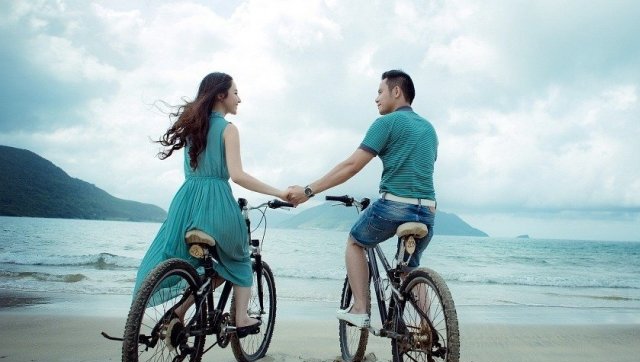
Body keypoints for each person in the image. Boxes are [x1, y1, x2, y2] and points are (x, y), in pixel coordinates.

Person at [134, 72, 288, 337]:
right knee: (239, 257)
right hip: (216, 203)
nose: (240, 98)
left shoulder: (194, 127)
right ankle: (240, 317)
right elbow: (238, 175)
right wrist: (280, 192)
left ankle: (179, 312)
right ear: (221, 95)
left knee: (207, 267)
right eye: (236, 92)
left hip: (186, 204)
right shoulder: (229, 129)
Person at [287, 70, 438, 328]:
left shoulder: (386, 123)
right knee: (410, 269)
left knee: (355, 242)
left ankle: (359, 309)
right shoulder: (429, 129)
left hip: (394, 206)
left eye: (380, 91)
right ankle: (428, 328)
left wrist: (308, 190)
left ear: (397, 92)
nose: (376, 98)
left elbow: (351, 166)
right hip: (428, 211)